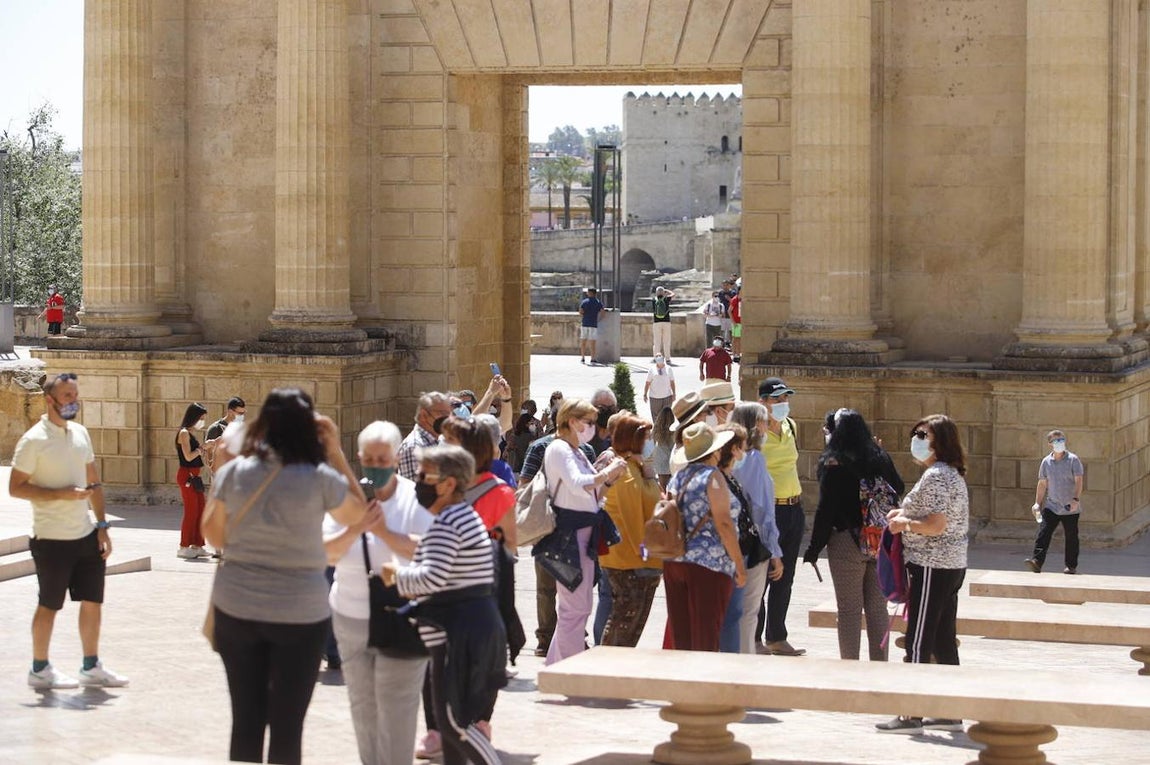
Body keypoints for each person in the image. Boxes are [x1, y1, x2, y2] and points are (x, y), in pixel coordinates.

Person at [203, 388, 366, 764]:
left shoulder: (236, 473)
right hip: (299, 612)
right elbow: (357, 515)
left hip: (237, 607)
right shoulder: (319, 477)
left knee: (245, 721)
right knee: (287, 726)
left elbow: (213, 535)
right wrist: (336, 453)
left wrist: (223, 473)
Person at [383, 445, 506, 765]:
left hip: (459, 631)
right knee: (453, 721)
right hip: (464, 628)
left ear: (448, 484)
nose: (419, 481)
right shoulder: (459, 516)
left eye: (425, 476)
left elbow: (432, 579)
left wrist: (396, 576)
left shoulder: (448, 520)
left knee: (453, 721)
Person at [324, 420, 433, 765]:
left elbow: (428, 551)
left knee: (397, 706)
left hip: (401, 615)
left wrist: (384, 533)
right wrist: (356, 527)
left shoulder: (416, 498)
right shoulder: (345, 501)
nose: (376, 466)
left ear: (396, 458)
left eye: (383, 460)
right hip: (351, 616)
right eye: (369, 459)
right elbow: (325, 553)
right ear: (359, 458)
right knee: (363, 704)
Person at [10, 372, 127, 690]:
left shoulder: (80, 434)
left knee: (93, 601)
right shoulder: (33, 440)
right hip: (50, 537)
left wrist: (102, 527)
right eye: (67, 397)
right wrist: (60, 494)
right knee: (49, 603)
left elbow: (94, 482)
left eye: (75, 396)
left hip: (85, 534)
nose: (74, 402)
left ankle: (91, 666)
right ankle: (39, 668)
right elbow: (15, 487)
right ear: (50, 400)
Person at [877, 414, 969, 734]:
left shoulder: (936, 476)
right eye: (915, 433)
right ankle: (950, 711)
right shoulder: (950, 474)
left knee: (918, 638)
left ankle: (910, 714)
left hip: (932, 564)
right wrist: (903, 514)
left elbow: (936, 524)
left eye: (923, 435)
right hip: (951, 565)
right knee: (944, 642)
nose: (916, 440)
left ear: (939, 442)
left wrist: (904, 524)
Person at [802, 409, 905, 661]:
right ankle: (879, 666)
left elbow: (826, 509)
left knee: (848, 610)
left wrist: (814, 548)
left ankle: (850, 668)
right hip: (880, 540)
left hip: (846, 541)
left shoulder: (833, 462)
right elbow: (898, 487)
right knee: (877, 608)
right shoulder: (879, 456)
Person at [533, 398, 627, 665]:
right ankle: (565, 669)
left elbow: (593, 492)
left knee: (578, 607)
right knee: (574, 609)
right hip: (569, 536)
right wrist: (607, 472)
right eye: (588, 422)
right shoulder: (560, 449)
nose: (592, 428)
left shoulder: (575, 450)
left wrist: (608, 478)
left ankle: (558, 666)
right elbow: (578, 484)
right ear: (572, 422)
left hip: (582, 534)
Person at [663, 423, 747, 651]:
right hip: (708, 564)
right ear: (716, 451)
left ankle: (682, 684)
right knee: (706, 636)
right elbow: (724, 523)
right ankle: (703, 685)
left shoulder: (678, 478)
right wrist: (739, 564)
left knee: (683, 636)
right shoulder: (714, 477)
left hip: (675, 560)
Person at [517, 419, 595, 657]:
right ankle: (546, 637)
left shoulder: (587, 450)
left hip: (576, 525)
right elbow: (525, 483)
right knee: (546, 585)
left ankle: (573, 636)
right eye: (584, 421)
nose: (588, 427)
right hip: (547, 524)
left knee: (575, 584)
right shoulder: (540, 447)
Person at [599, 414, 663, 647]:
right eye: (646, 437)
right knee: (624, 622)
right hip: (631, 561)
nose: (650, 442)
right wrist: (646, 555)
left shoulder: (638, 467)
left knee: (633, 625)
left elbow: (656, 500)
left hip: (643, 561)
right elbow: (631, 518)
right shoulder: (624, 471)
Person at [755, 376, 806, 656]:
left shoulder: (790, 426)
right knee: (762, 575)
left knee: (785, 577)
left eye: (786, 398)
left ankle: (777, 636)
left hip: (792, 507)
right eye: (777, 399)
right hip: (768, 510)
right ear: (762, 401)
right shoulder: (754, 433)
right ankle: (754, 638)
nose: (783, 403)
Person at [729, 403, 784, 653]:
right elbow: (762, 510)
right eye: (762, 422)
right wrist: (774, 551)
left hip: (730, 541)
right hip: (753, 544)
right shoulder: (754, 460)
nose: (766, 426)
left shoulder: (730, 458)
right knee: (750, 610)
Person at [1025, 430, 1085, 574]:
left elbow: (1079, 481)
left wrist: (1076, 499)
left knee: (1071, 537)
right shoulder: (1046, 462)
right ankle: (1037, 561)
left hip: (1070, 507)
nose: (1059, 443)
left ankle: (1071, 566)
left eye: (1061, 440)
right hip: (1052, 506)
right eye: (1056, 441)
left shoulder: (1073, 460)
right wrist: (1037, 503)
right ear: (1050, 444)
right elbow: (1042, 483)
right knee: (1043, 533)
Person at [175, 402, 211, 560]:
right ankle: (183, 546)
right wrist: (202, 448)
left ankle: (197, 544)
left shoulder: (190, 433)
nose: (202, 421)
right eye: (201, 418)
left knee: (200, 510)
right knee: (191, 512)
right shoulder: (183, 433)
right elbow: (188, 456)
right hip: (187, 476)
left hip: (195, 477)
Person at [397, 392, 453, 481]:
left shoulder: (441, 440)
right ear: (424, 415)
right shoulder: (414, 447)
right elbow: (416, 490)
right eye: (443, 413)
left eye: (449, 414)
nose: (448, 418)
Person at [506, 400, 542, 473]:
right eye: (523, 407)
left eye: (525, 408)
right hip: (522, 454)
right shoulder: (517, 421)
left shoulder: (536, 422)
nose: (523, 410)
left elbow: (540, 435)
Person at [643, 354, 676, 421]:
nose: (659, 358)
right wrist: (645, 394)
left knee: (666, 416)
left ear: (663, 357)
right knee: (656, 418)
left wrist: (674, 393)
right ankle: (657, 430)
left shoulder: (668, 368)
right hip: (655, 398)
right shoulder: (652, 369)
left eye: (660, 356)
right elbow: (647, 383)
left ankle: (665, 430)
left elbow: (672, 382)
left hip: (667, 397)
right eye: (657, 356)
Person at [650, 405, 676, 490]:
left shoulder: (656, 430)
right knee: (674, 486)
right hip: (673, 459)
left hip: (660, 459)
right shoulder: (675, 430)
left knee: (663, 486)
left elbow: (653, 443)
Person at [579, 287, 606, 364]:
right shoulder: (598, 302)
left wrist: (584, 316)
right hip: (593, 324)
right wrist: (598, 320)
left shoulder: (584, 302)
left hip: (585, 323)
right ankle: (593, 358)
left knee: (583, 341)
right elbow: (603, 313)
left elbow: (581, 311)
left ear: (590, 293)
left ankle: (583, 357)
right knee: (592, 342)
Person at [651, 286, 676, 361]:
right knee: (666, 341)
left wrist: (659, 292)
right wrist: (666, 290)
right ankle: (667, 358)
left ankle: (656, 358)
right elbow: (673, 294)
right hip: (666, 322)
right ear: (663, 292)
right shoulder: (666, 299)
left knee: (657, 341)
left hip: (656, 322)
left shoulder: (654, 300)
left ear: (656, 293)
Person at [728, 287, 742, 362]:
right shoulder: (735, 299)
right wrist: (733, 322)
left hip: (742, 322)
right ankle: (734, 354)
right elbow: (729, 311)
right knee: (735, 339)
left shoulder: (743, 300)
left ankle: (739, 354)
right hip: (736, 323)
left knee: (740, 339)